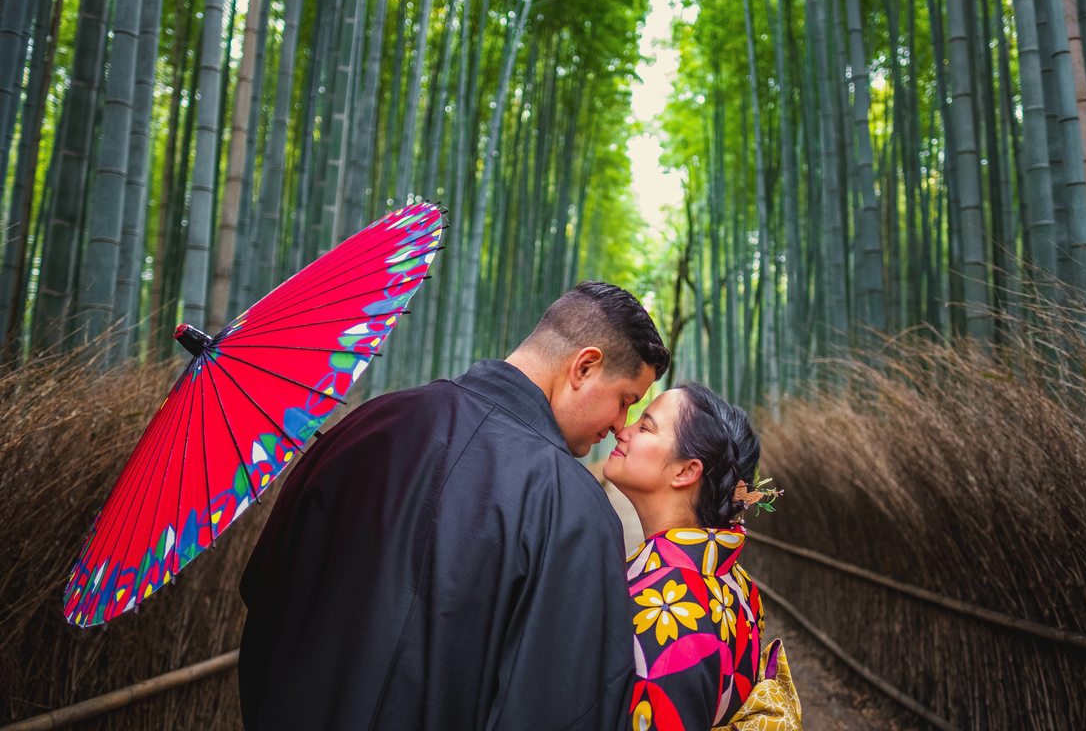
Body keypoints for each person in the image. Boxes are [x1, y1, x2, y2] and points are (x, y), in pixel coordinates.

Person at [238, 282, 670, 730]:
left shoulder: (365, 428)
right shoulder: (575, 509)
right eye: (625, 401)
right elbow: (565, 707)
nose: (621, 424)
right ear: (584, 366)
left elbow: (265, 597)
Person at [604, 383, 778, 730]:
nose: (622, 432)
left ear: (686, 471)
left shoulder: (666, 611)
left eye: (646, 427)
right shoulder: (737, 585)